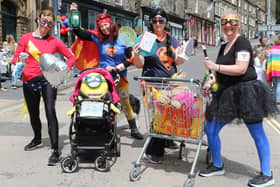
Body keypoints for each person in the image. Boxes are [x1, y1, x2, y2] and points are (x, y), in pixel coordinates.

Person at [198, 12, 277, 187]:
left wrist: (215, 66)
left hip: (246, 92)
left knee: (257, 133)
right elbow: (218, 74)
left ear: (238, 24)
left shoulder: (242, 42)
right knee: (210, 128)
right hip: (226, 93)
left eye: (232, 22)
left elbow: (241, 68)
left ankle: (267, 174)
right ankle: (217, 165)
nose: (228, 26)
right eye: (224, 22)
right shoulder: (223, 46)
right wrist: (210, 81)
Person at [12, 8, 77, 166]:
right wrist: (19, 61)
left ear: (52, 25)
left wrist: (62, 70)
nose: (45, 25)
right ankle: (37, 138)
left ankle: (55, 149)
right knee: (33, 114)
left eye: (49, 23)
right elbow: (15, 59)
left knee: (50, 111)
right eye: (43, 21)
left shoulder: (54, 41)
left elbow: (72, 57)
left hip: (48, 81)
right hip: (29, 80)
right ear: (38, 20)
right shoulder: (26, 38)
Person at [70, 2, 143, 140]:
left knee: (125, 101)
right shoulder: (98, 38)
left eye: (106, 24)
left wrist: (117, 68)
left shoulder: (123, 39)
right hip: (103, 78)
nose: (104, 28)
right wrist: (74, 14)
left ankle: (133, 128)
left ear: (111, 24)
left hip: (120, 76)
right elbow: (78, 32)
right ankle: (105, 128)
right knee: (103, 102)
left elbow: (131, 58)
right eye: (101, 26)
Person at [133, 8, 185, 164]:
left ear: (166, 23)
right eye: (154, 21)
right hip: (152, 84)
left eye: (161, 21)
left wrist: (182, 55)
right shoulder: (146, 38)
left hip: (170, 83)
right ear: (151, 23)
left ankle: (166, 139)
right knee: (159, 115)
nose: (157, 24)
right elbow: (139, 64)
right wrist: (136, 54)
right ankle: (155, 149)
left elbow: (178, 62)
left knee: (170, 112)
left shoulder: (172, 39)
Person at [266, 35, 280, 104]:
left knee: (275, 84)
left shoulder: (273, 48)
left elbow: (269, 58)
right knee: (279, 85)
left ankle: (274, 99)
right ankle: (278, 100)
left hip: (274, 69)